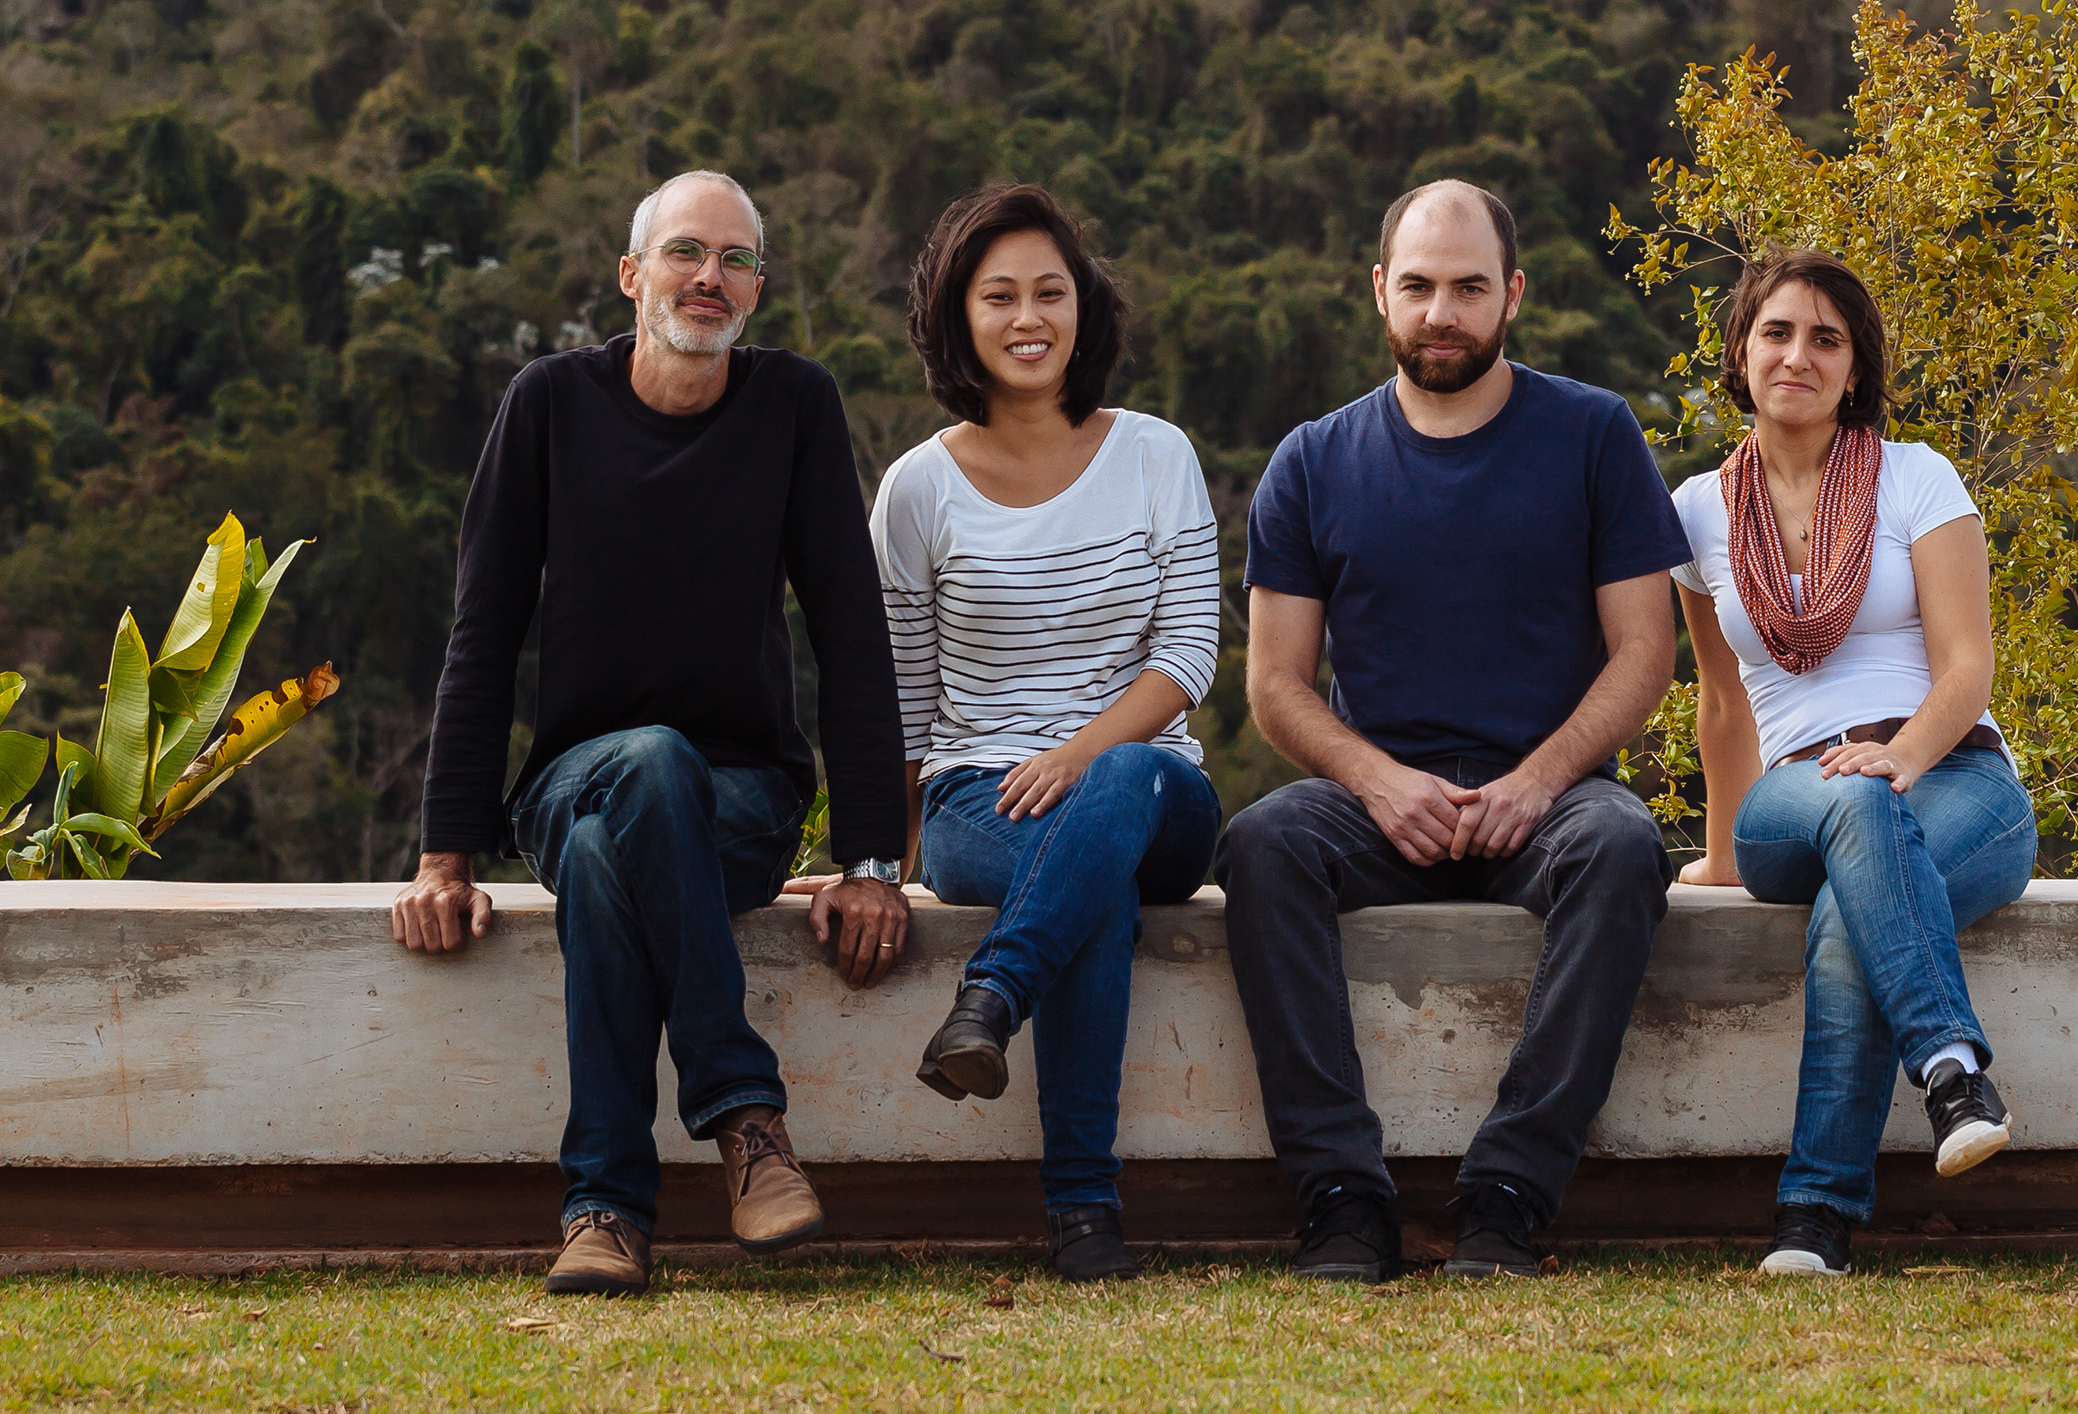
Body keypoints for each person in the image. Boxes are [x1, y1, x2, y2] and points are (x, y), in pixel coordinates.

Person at [390, 170, 913, 1299]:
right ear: (633, 275)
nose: (709, 277)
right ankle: (746, 1122)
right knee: (641, 766)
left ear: (757, 291)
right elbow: (482, 634)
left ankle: (605, 1211)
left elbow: (851, 636)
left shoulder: (794, 405)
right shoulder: (547, 404)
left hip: (744, 802)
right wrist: (445, 858)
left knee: (605, 855)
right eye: (686, 252)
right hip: (571, 778)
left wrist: (874, 862)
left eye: (736, 260)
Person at [1216, 179, 1689, 1282]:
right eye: (1420, 287)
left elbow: (1644, 652)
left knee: (1623, 846)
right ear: (1380, 291)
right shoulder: (1312, 460)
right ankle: (1340, 1197)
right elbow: (1275, 685)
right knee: (1262, 843)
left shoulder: (1593, 434)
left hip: (1552, 799)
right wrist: (1379, 782)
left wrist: (1539, 781)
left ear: (1512, 294)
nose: (1442, 313)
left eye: (1469, 288)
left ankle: (1508, 1194)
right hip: (1378, 803)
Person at [832, 183, 1221, 1284]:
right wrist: (876, 862)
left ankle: (991, 997)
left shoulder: (1155, 454)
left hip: (1152, 790)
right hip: (980, 803)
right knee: (1087, 885)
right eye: (998, 296)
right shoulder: (917, 488)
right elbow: (905, 696)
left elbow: (1189, 655)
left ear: (1083, 309)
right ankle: (1084, 1214)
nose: (1027, 317)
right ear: (958, 318)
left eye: (1050, 292)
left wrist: (1080, 755)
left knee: (1116, 792)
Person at [1672, 248, 2036, 1279]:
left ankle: (1814, 1220)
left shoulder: (1917, 477)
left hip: (1959, 778)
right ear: (1741, 352)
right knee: (1851, 807)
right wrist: (1721, 858)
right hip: (1792, 795)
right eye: (1777, 332)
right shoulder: (1694, 511)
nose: (1798, 355)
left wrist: (1901, 756)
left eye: (1825, 339)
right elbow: (1720, 701)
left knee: (1851, 906)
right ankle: (1951, 1067)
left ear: (1854, 368)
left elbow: (1967, 668)